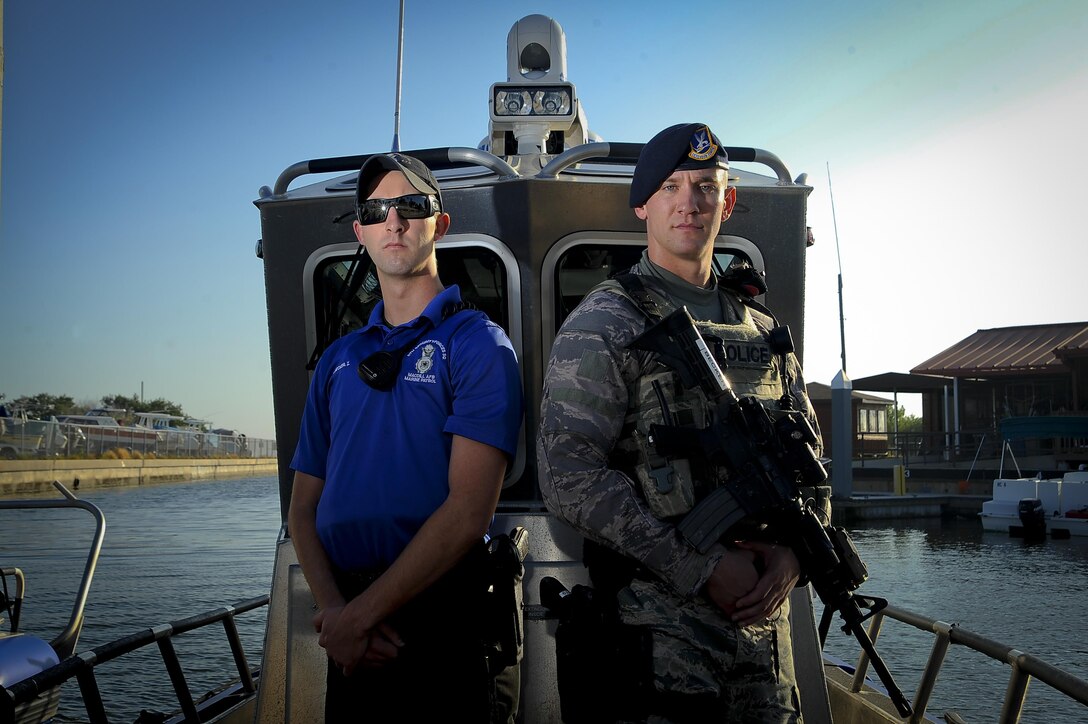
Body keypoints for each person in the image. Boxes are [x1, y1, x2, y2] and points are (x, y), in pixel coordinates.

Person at [537, 123, 827, 722]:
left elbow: (810, 462)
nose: (688, 202)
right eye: (670, 187)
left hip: (764, 646)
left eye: (704, 186)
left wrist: (794, 559)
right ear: (643, 204)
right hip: (659, 640)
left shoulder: (761, 329)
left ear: (728, 201)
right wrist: (699, 566)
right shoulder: (606, 323)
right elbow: (568, 479)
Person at [288, 152, 524, 722]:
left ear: (438, 223)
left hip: (441, 620)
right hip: (350, 633)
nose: (393, 220)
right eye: (377, 209)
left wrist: (359, 618)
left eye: (411, 205)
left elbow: (469, 511)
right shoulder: (336, 362)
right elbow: (301, 512)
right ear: (360, 232)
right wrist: (337, 616)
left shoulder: (479, 347)